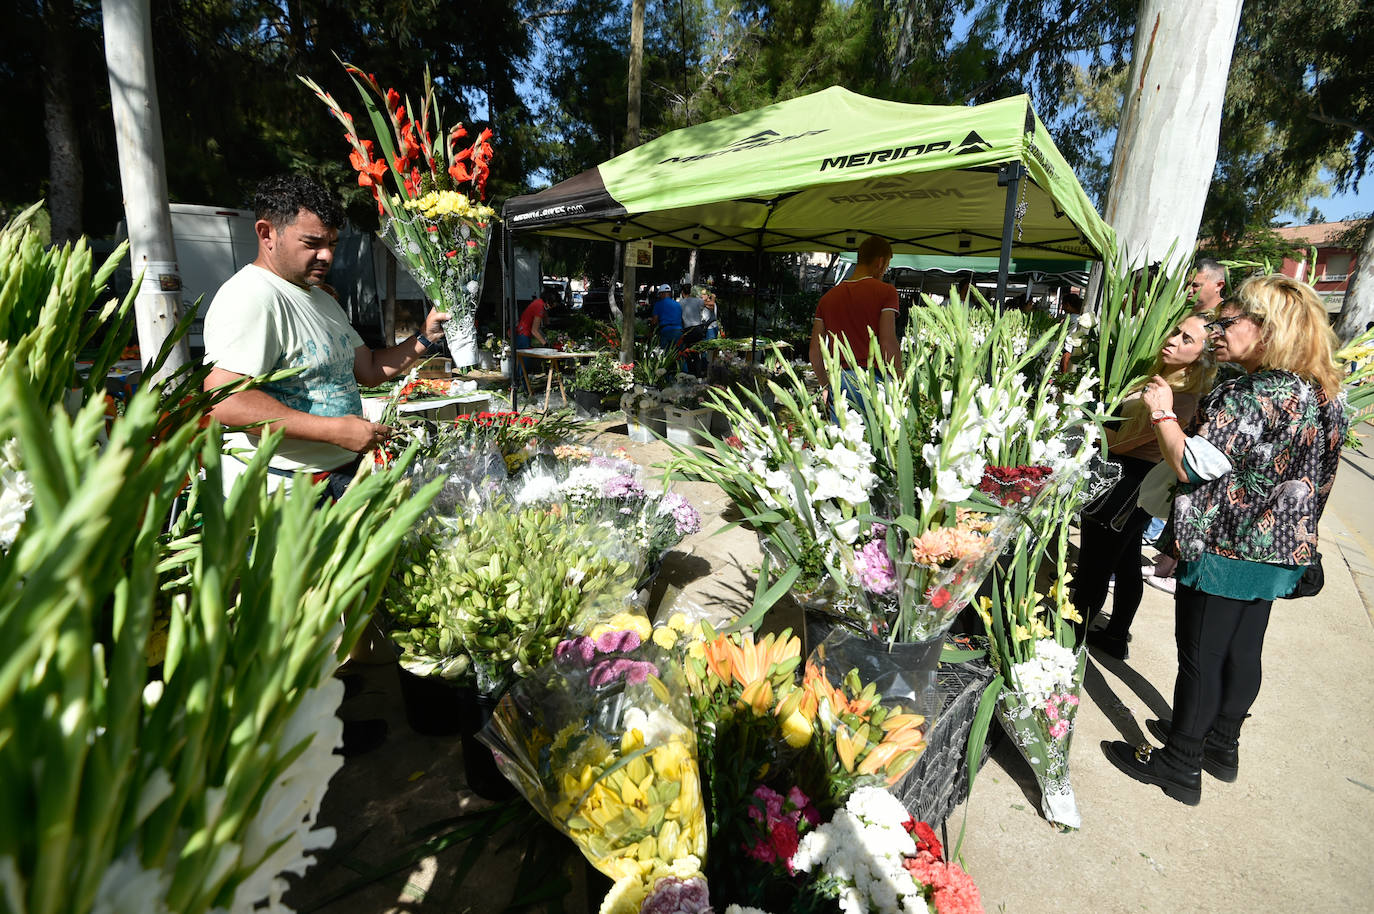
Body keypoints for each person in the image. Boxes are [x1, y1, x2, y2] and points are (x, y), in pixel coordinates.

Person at [1104, 274, 1348, 805]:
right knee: (1242, 649)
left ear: (1267, 328)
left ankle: (1180, 762)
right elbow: (1322, 473)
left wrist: (1165, 410)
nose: (1218, 329)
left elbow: (1195, 466)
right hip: (1279, 547)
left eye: (1229, 321)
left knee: (1200, 654)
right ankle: (1222, 746)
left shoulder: (1249, 393)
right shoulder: (1321, 393)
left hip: (1226, 544)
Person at [202, 174, 450, 500]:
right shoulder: (251, 296)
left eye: (331, 244)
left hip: (340, 478)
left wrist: (425, 336)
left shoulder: (322, 299)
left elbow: (370, 370)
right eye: (312, 243)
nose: (327, 256)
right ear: (267, 234)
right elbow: (227, 400)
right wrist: (334, 431)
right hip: (285, 492)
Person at [1076, 314, 1216, 659]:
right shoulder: (1158, 380)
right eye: (1174, 331)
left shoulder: (1181, 398)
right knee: (1123, 562)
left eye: (1187, 339)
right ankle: (1116, 633)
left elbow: (1122, 444)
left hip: (1127, 482)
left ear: (1202, 355)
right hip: (1127, 479)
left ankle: (1071, 638)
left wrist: (1091, 419)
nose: (1173, 340)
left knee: (1095, 565)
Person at [809, 235, 902, 408]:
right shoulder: (886, 292)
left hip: (840, 380)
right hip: (874, 381)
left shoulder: (827, 299)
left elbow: (815, 350)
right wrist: (901, 380)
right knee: (876, 435)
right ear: (880, 262)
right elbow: (887, 342)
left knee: (843, 435)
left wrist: (826, 385)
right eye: (887, 266)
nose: (884, 271)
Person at [515, 288, 557, 388]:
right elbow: (534, 330)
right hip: (523, 335)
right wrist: (546, 344)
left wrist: (549, 328)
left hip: (522, 333)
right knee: (524, 365)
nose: (553, 306)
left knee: (522, 364)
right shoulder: (540, 307)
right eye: (553, 304)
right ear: (549, 301)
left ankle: (522, 387)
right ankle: (523, 389)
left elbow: (545, 319)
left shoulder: (539, 302)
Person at [651, 283, 684, 352]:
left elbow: (654, 321)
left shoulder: (658, 304)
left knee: (665, 356)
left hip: (665, 332)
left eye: (659, 294)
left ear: (662, 293)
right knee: (678, 354)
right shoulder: (678, 304)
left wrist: (651, 331)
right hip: (678, 332)